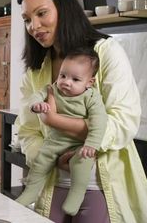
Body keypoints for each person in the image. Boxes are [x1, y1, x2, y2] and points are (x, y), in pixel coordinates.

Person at [14, 0, 147, 223]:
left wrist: (57, 122)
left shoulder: (105, 52)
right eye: (27, 19)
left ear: (64, 9)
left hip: (102, 185)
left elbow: (124, 122)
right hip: (52, 183)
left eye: (41, 13)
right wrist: (53, 158)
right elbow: (26, 131)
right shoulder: (36, 72)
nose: (33, 26)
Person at [16, 47, 107, 216]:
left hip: (79, 144)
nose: (66, 82)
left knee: (82, 162)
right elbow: (36, 95)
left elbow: (99, 121)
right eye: (63, 75)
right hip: (55, 141)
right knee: (40, 163)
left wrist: (91, 144)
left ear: (89, 82)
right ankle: (31, 192)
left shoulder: (91, 97)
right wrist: (37, 105)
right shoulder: (53, 88)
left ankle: (76, 194)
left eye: (75, 79)